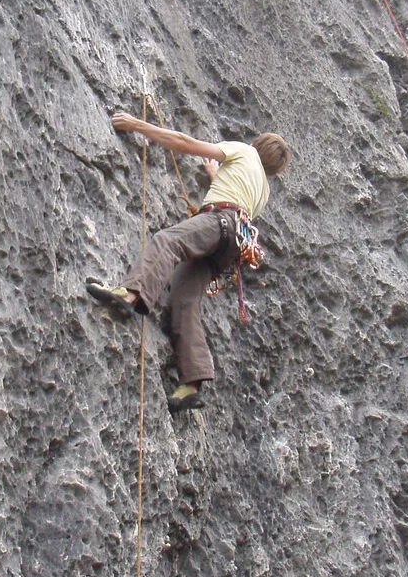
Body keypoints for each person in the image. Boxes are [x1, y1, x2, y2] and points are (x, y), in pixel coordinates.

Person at [86, 112, 290, 411]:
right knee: (184, 296)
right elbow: (236, 198)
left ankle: (131, 294)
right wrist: (215, 175)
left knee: (169, 241)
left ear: (257, 145)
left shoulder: (244, 151)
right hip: (233, 243)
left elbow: (185, 143)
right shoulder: (263, 189)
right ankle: (192, 382)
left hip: (220, 221)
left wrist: (136, 125)